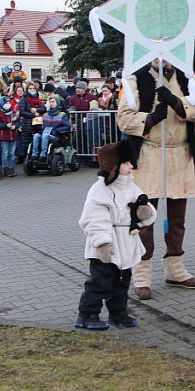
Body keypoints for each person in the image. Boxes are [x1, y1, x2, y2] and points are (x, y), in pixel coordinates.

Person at [116, 59, 195, 300]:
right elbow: (123, 118)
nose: (164, 59)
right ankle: (142, 273)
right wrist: (152, 118)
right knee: (145, 218)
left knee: (177, 218)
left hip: (180, 154)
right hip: (149, 154)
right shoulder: (135, 79)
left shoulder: (187, 78)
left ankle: (175, 269)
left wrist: (177, 103)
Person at [75, 139, 156, 330]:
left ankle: (118, 313)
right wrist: (102, 242)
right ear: (114, 165)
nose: (131, 166)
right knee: (100, 282)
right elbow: (93, 218)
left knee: (121, 283)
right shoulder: (100, 190)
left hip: (126, 243)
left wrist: (144, 212)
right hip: (108, 245)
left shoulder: (131, 186)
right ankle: (87, 314)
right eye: (127, 163)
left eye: (131, 162)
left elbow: (143, 207)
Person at [18, 81, 46, 160]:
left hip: (38, 123)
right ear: (27, 89)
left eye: (33, 88)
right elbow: (22, 112)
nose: (32, 89)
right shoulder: (23, 99)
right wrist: (33, 114)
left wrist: (36, 109)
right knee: (28, 143)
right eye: (30, 88)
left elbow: (44, 109)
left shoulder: (38, 98)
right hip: (27, 124)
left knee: (37, 139)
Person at [0, 93, 20, 177]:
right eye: (6, 102)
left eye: (9, 102)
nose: (8, 104)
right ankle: (5, 169)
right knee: (5, 153)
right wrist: (5, 126)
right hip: (4, 136)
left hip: (13, 136)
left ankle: (11, 168)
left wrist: (15, 126)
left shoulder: (13, 112)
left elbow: (17, 122)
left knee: (12, 153)